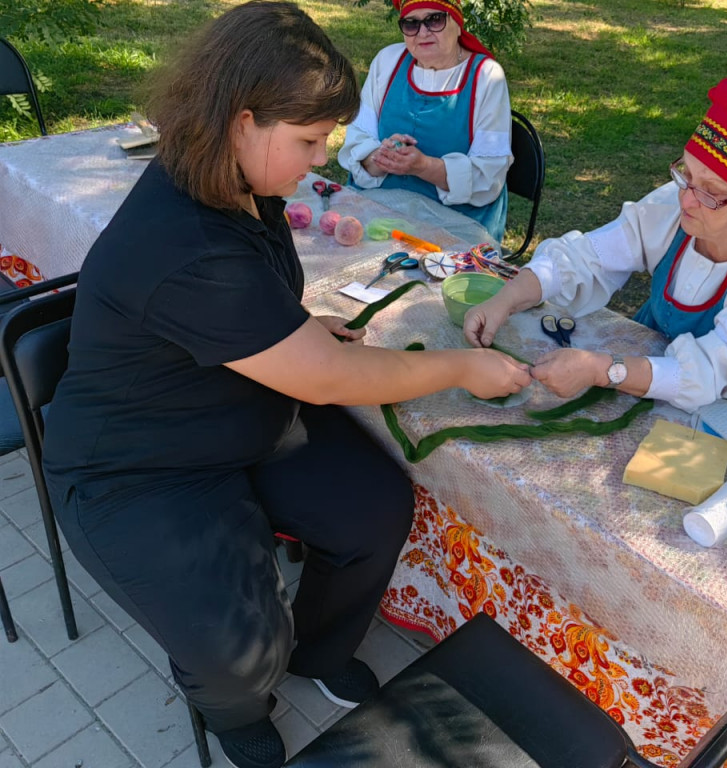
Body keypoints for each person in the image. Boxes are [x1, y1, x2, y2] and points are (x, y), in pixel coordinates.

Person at [41, 4, 530, 768]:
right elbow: (332, 379)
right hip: (136, 468)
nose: (321, 158)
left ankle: (317, 650)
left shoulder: (238, 179)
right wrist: (464, 368)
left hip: (237, 409)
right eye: (309, 141)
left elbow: (257, 305)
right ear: (242, 121)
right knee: (241, 653)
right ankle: (233, 702)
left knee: (373, 510)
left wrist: (288, 332)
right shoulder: (186, 242)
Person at [464, 78, 727, 412]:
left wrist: (601, 369)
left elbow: (715, 372)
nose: (687, 199)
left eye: (711, 193)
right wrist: (506, 298)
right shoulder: (678, 204)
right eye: (686, 174)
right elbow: (587, 257)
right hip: (661, 369)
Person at [337, 0, 512, 243]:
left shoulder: (486, 76)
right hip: (379, 211)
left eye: (435, 20)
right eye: (411, 24)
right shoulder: (388, 61)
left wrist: (423, 166)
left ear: (457, 23)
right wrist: (382, 158)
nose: (422, 32)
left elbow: (488, 177)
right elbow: (358, 139)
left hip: (455, 224)